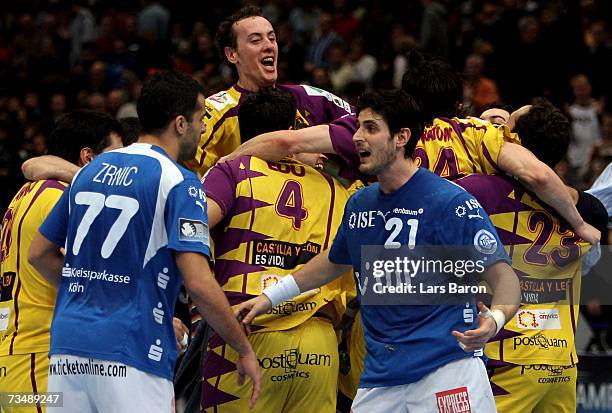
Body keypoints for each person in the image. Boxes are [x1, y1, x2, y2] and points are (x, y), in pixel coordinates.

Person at [236, 89, 521, 412]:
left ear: (401, 137)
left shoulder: (450, 203)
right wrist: (269, 297)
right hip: (381, 377)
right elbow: (333, 261)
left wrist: (494, 322)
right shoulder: (360, 204)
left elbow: (505, 279)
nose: (357, 137)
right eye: (358, 126)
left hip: (448, 369)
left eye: (371, 128)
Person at [28, 70, 260, 412]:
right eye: (200, 119)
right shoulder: (181, 182)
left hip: (67, 349)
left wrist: (94, 290)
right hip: (133, 350)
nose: (202, 129)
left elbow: (39, 254)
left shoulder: (91, 171)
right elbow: (197, 282)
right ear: (180, 123)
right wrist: (243, 348)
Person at [221, 51, 600, 245]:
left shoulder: (377, 130)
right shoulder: (478, 133)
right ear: (458, 105)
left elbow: (287, 140)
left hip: (386, 262)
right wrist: (581, 222)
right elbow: (535, 173)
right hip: (459, 273)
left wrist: (226, 165)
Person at [200, 87, 354, 412]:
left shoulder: (232, 171)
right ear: (292, 129)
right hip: (319, 342)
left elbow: (192, 226)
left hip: (245, 331)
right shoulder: (333, 187)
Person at [455, 99, 604, 413]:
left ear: (515, 144)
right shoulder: (584, 208)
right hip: (562, 363)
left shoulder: (477, 190)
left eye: (504, 128)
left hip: (507, 362)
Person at [0, 110, 123, 413]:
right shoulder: (66, 199)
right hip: (40, 357)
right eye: (114, 157)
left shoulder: (25, 194)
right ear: (88, 157)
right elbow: (78, 273)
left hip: (20, 355)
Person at [188, 5, 354, 176]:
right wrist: (289, 153)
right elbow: (184, 162)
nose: (269, 46)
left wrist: (307, 144)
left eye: (272, 38)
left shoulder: (308, 96)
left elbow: (364, 125)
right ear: (232, 54)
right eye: (255, 40)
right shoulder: (215, 109)